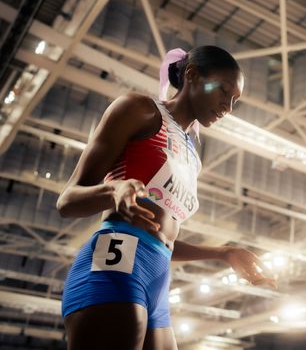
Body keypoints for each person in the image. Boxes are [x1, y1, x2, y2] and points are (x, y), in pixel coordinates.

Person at [57, 46, 276, 350]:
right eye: (223, 90)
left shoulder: (192, 157)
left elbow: (162, 237)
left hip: (156, 278)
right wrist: (114, 190)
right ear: (192, 75)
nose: (227, 105)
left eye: (234, 100)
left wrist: (224, 253)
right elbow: (67, 201)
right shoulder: (140, 110)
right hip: (116, 263)